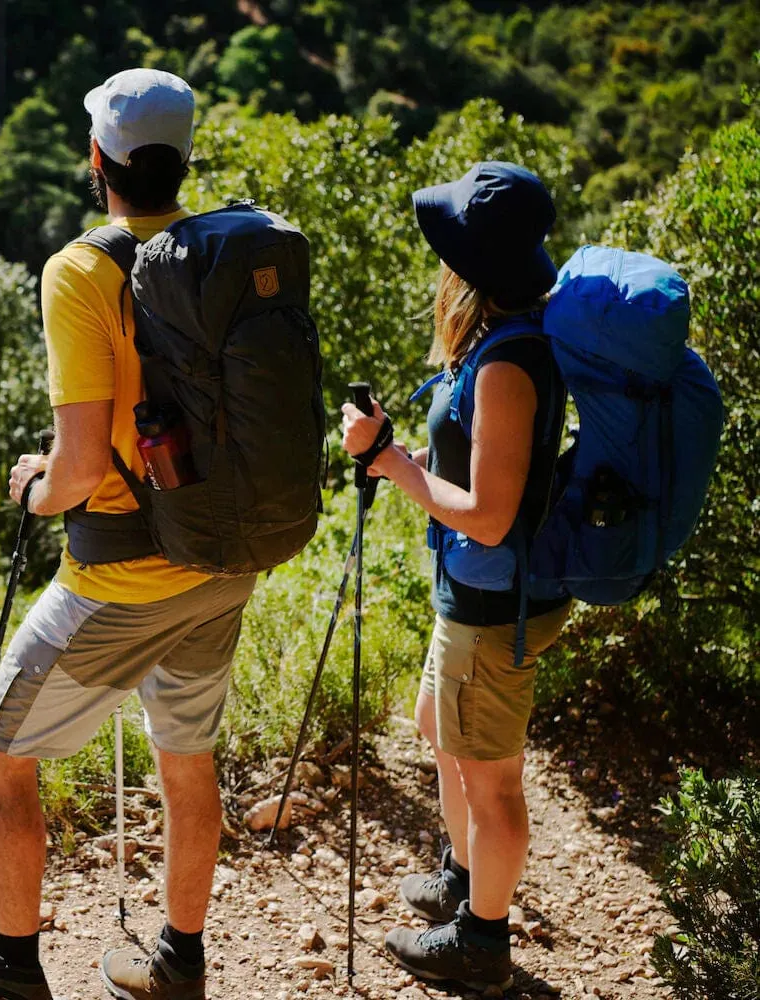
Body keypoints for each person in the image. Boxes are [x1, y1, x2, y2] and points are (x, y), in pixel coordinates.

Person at [0, 68, 256, 1000]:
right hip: (223, 560)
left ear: (99, 161)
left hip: (126, 580)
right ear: (184, 160)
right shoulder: (225, 253)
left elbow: (82, 469)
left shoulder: (82, 271)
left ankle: (13, 979)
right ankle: (180, 961)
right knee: (187, 754)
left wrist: (36, 490)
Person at [340, 162, 571, 992]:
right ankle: (461, 875)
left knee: (491, 775)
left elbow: (490, 513)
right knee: (441, 727)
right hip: (476, 593)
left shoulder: (510, 364)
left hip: (493, 599)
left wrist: (388, 460)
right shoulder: (499, 341)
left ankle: (482, 941)